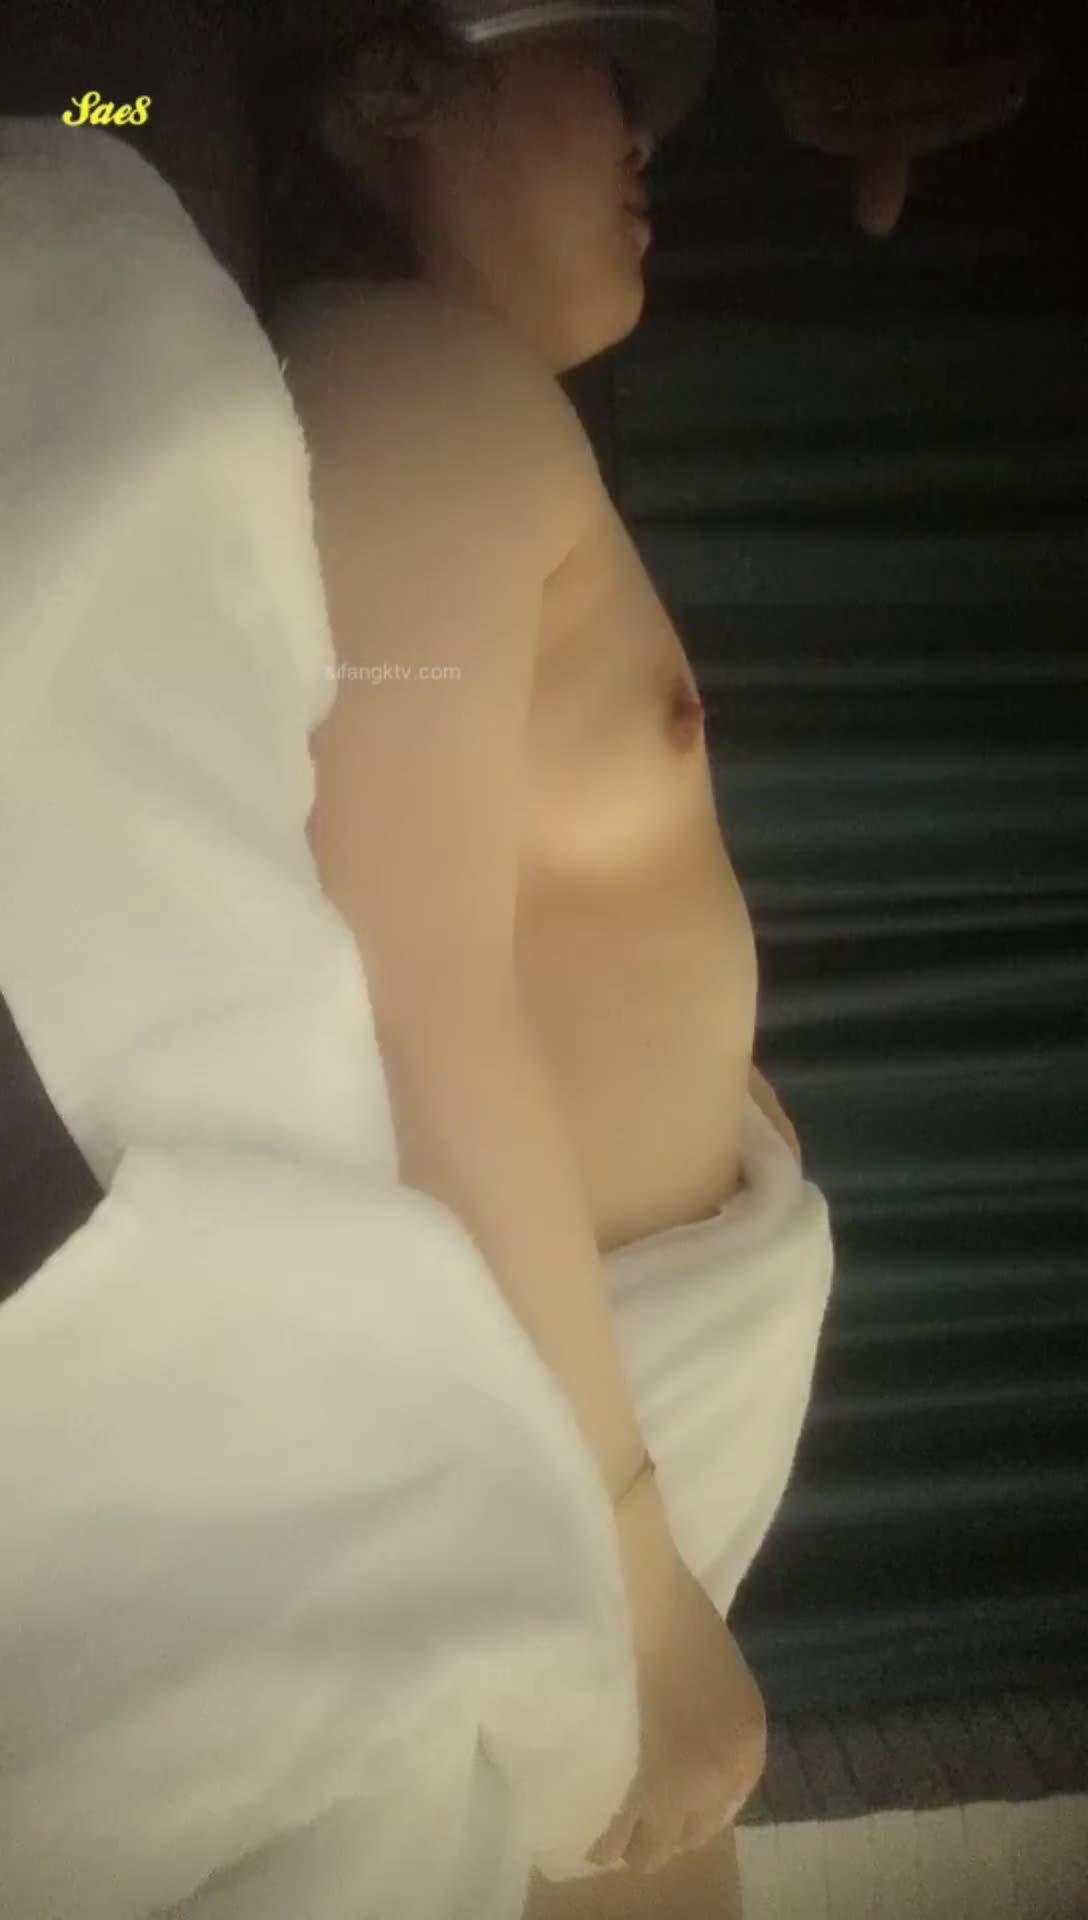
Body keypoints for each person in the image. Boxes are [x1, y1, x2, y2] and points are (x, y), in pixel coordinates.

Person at [246, 3, 835, 1909]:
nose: (650, 128)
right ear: (392, 81)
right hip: (563, 1454)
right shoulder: (404, 377)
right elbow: (402, 986)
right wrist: (624, 1570)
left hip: (595, 1406)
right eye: (607, 68)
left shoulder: (450, 405)